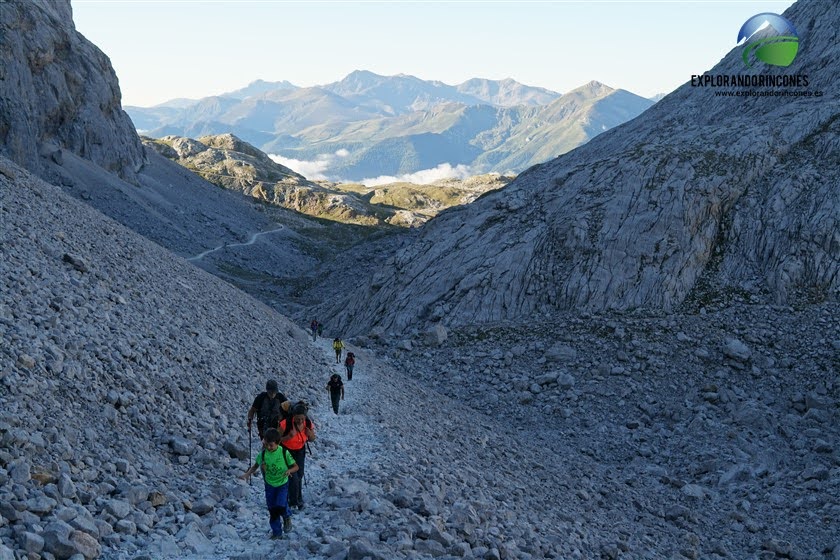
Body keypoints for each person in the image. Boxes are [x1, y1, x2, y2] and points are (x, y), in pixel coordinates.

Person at [239, 428, 298, 539]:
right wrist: (246, 475)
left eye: (271, 445)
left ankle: (286, 516)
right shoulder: (263, 454)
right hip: (270, 484)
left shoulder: (284, 452)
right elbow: (255, 466)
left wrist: (289, 471)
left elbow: (296, 466)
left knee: (280, 504)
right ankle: (277, 532)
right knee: (272, 509)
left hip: (282, 483)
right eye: (266, 445)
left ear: (278, 443)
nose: (268, 448)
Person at [279, 403, 316, 510]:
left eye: (302, 419)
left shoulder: (308, 423)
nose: (300, 421)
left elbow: (313, 439)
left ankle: (296, 499)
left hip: (300, 451)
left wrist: (310, 434)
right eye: (297, 419)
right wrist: (288, 437)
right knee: (293, 476)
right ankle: (294, 501)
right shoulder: (285, 424)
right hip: (287, 451)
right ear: (293, 416)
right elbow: (276, 440)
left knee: (299, 475)